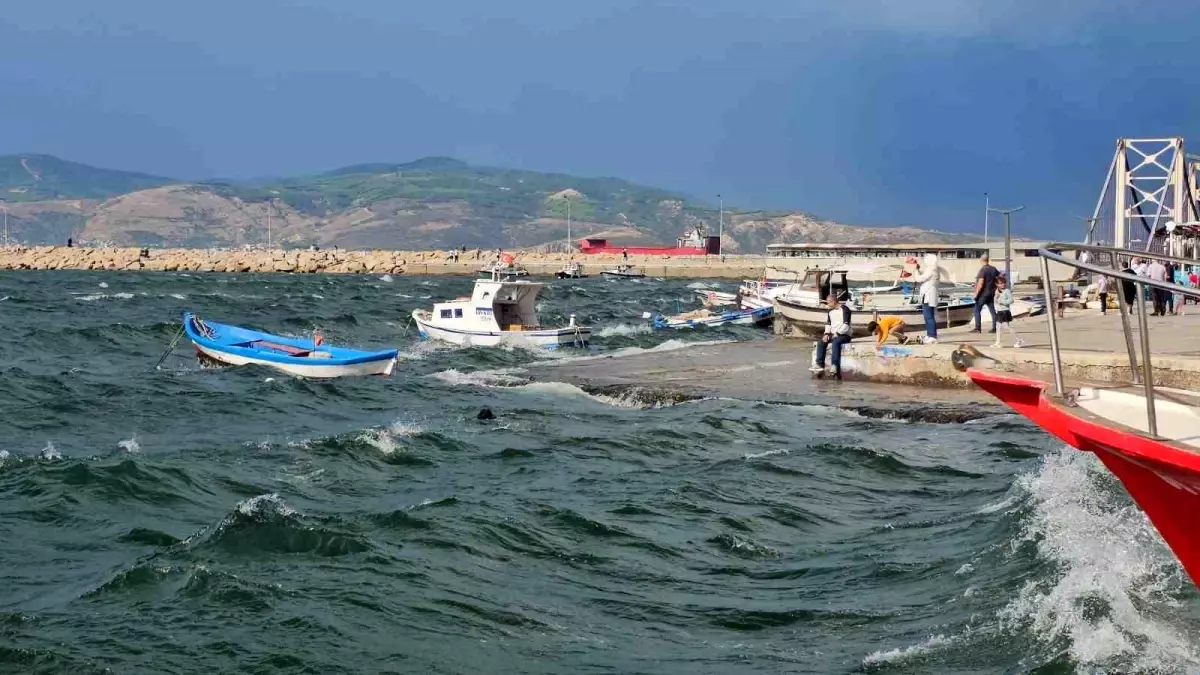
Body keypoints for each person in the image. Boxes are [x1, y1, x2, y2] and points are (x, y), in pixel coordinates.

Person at [810, 294, 852, 380]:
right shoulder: (830, 311)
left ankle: (834, 365)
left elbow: (846, 325)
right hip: (832, 334)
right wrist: (826, 334)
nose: (827, 304)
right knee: (821, 341)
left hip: (844, 334)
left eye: (828, 302)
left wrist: (837, 334)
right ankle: (819, 364)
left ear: (833, 302)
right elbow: (828, 325)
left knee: (836, 342)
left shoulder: (845, 309)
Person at [905, 253, 941, 344]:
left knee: (929, 317)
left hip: (929, 295)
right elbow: (924, 277)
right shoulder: (933, 269)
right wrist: (918, 269)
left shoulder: (932, 269)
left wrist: (916, 271)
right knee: (927, 316)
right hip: (927, 295)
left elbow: (919, 279)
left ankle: (932, 336)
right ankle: (929, 335)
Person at [991, 276, 1024, 348]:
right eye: (1000, 283)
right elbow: (995, 300)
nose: (1002, 285)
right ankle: (998, 342)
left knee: (1006, 327)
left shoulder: (1007, 291)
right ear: (996, 284)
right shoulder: (997, 291)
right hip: (999, 311)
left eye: (1003, 283)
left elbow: (1011, 300)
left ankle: (1018, 340)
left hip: (1005, 311)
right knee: (998, 327)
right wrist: (996, 299)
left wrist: (1001, 301)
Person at [972, 255, 999, 333]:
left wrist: (976, 294)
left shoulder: (983, 270)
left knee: (977, 310)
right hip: (991, 293)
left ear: (981, 260)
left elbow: (980, 283)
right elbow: (999, 278)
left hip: (983, 294)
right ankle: (995, 327)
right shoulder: (994, 269)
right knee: (992, 310)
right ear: (988, 260)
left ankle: (978, 328)